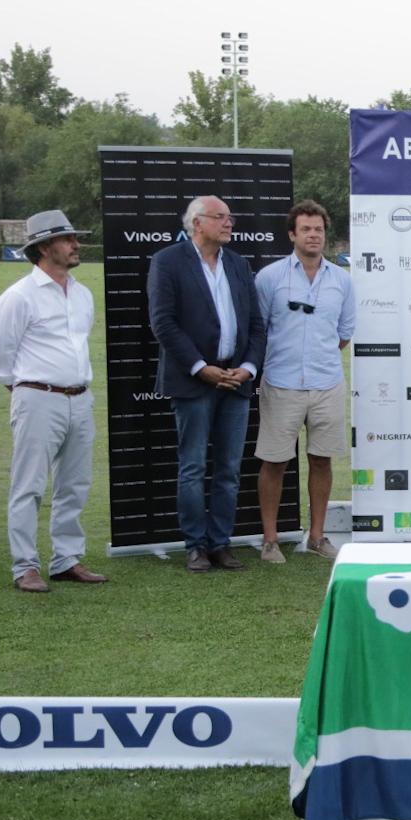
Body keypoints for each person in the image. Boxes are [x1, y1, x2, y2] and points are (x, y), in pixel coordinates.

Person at [0, 209, 107, 593]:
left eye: (74, 238)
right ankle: (25, 566)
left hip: (80, 398)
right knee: (30, 485)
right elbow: (0, 358)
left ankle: (66, 559)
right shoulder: (18, 297)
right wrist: (28, 391)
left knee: (75, 484)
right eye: (67, 239)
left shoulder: (83, 294)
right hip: (38, 398)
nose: (76, 245)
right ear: (43, 247)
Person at [147, 195, 266, 573]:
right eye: (221, 217)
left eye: (230, 217)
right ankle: (196, 545)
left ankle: (221, 544)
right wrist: (201, 367)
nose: (229, 223)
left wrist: (247, 367)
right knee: (194, 466)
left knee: (229, 469)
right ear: (197, 223)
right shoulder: (168, 262)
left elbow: (256, 326)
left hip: (236, 380)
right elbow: (163, 322)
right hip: (193, 381)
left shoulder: (238, 264)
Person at [253, 200, 355, 564]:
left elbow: (343, 334)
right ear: (293, 234)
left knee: (322, 461)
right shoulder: (269, 277)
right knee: (275, 463)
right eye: (307, 229)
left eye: (319, 229)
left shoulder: (342, 281)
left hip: (327, 382)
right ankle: (269, 540)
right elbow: (258, 329)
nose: (314, 235)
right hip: (281, 383)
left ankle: (317, 536)